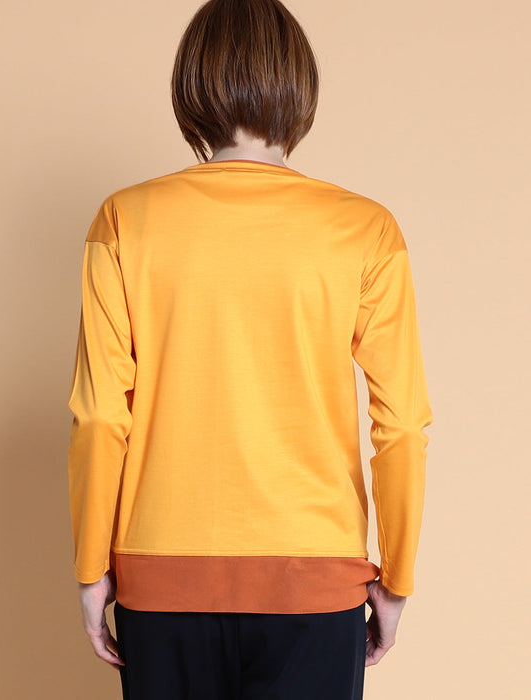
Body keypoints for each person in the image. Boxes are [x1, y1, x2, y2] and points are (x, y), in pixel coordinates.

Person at [66, 0, 434, 697]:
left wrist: (91, 569)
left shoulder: (123, 220)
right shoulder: (365, 229)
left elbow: (100, 415)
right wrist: (397, 577)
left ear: (191, 86)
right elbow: (402, 425)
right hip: (315, 581)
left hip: (161, 580)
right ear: (299, 86)